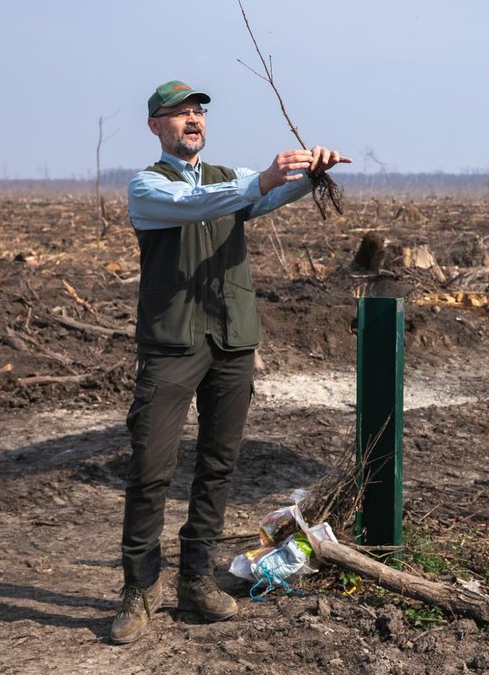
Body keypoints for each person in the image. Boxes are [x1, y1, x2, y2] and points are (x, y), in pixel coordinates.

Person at [110, 79, 350, 644]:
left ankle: (196, 581)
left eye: (197, 112)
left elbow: (258, 199)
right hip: (173, 344)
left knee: (218, 465)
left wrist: (308, 175)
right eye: (178, 114)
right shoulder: (148, 186)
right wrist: (260, 179)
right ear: (155, 127)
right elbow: (199, 204)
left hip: (232, 340)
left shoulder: (226, 179)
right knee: (151, 470)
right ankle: (139, 590)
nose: (192, 120)